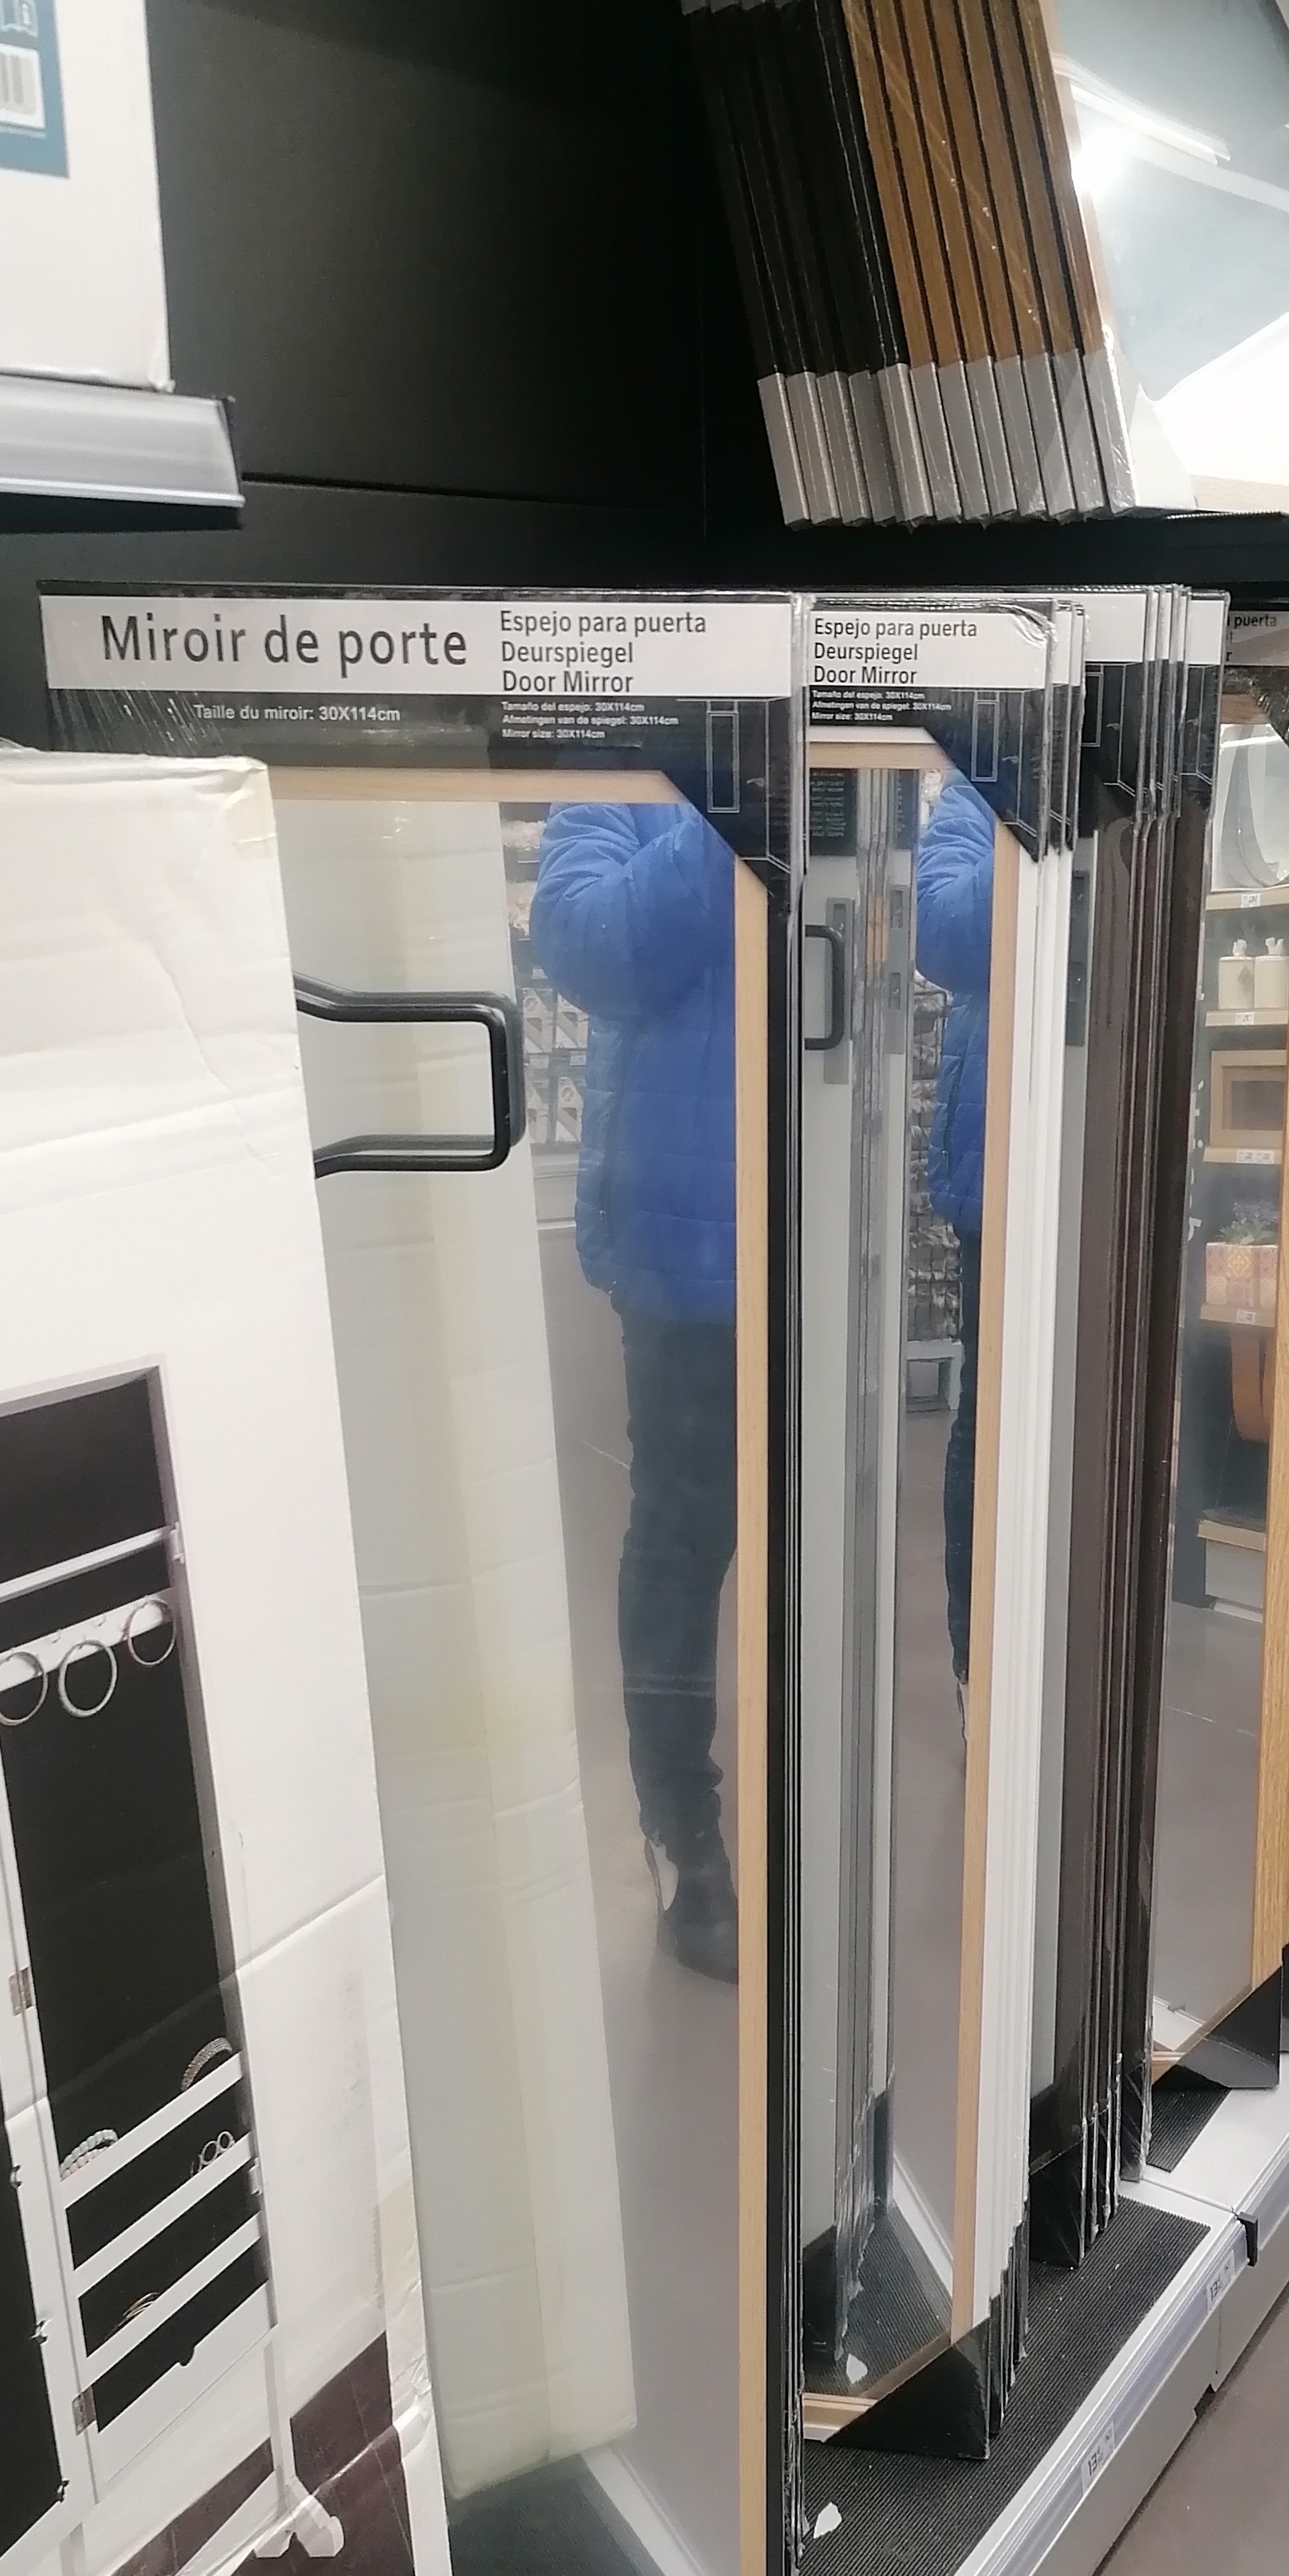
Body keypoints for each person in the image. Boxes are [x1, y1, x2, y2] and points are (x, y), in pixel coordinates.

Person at [530, 797, 740, 1981]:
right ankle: (680, 1827)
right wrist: (737, 805)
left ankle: (816, 1795)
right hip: (686, 1238)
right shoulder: (630, 755)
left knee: (828, 1545)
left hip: (827, 1225)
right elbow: (584, 941)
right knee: (680, 1540)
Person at [914, 774, 998, 1710]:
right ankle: (979, 1663)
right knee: (991, 1408)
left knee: (1106, 1404)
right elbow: (940, 929)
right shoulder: (985, 784)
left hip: (1117, 1131)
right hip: (1000, 1156)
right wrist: (1044, 822)